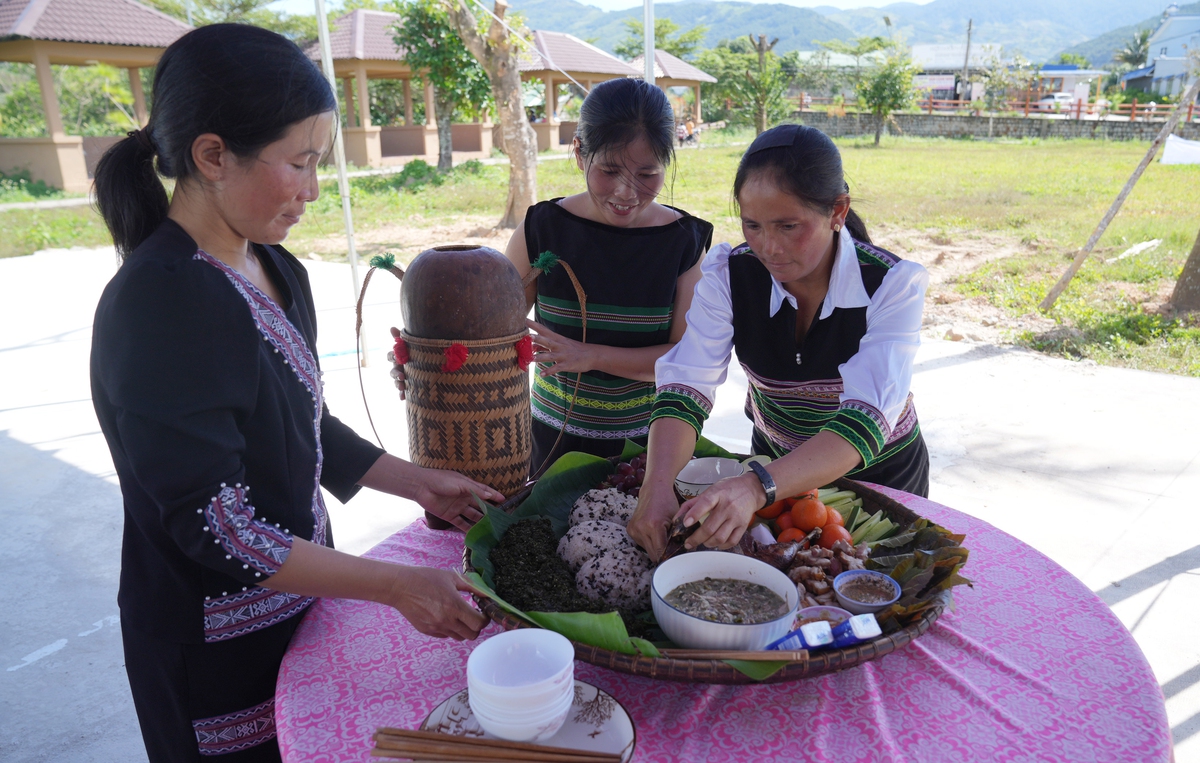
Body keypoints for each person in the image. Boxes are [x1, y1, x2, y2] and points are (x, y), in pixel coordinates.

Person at [90, 25, 502, 763]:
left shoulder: (275, 265)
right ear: (212, 156)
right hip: (215, 643)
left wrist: (416, 483)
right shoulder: (160, 304)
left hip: (302, 602)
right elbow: (218, 525)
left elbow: (300, 422)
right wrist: (396, 585)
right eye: (299, 163)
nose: (314, 189)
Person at [627, 124, 930, 561]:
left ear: (837, 211)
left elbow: (867, 417)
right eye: (753, 225)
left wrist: (754, 486)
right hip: (775, 468)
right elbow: (685, 386)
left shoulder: (891, 285)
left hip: (879, 477)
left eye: (789, 226)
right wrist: (655, 489)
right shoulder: (730, 276)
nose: (769, 247)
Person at [506, 79, 713, 470]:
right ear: (580, 154)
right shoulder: (541, 229)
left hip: (650, 452)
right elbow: (496, 335)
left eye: (648, 174)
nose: (625, 192)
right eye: (609, 170)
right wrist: (430, 361)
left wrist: (591, 356)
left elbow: (685, 357)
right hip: (550, 445)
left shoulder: (684, 242)